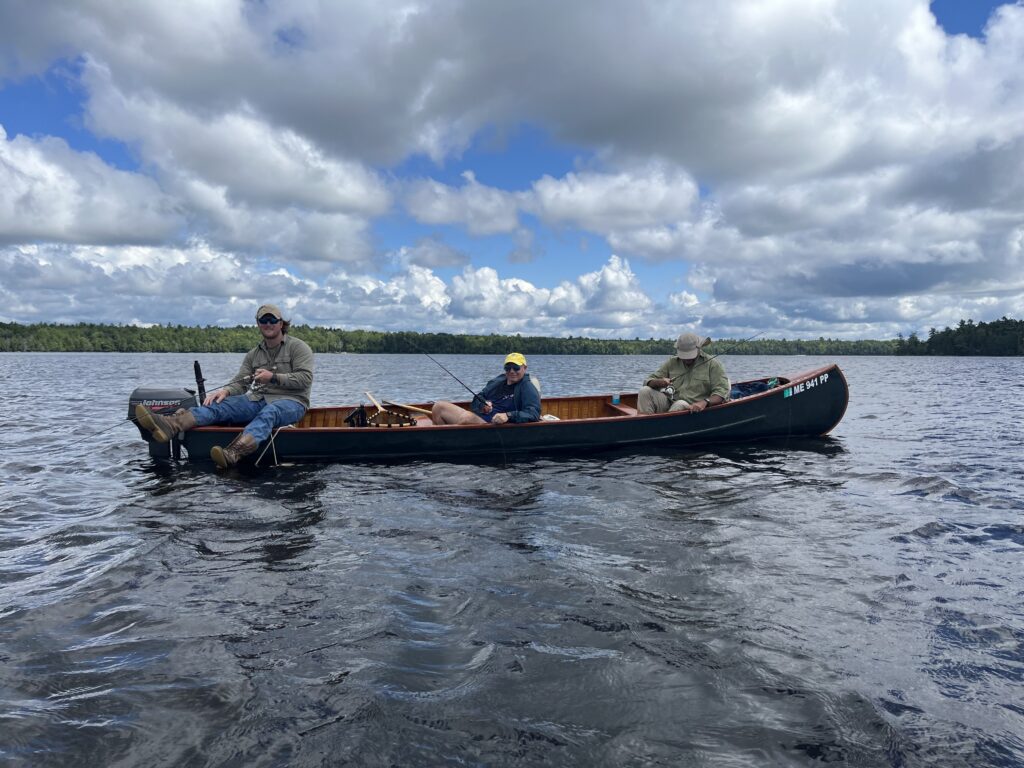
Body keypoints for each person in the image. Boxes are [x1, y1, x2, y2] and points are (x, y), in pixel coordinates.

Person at [135, 303, 315, 467]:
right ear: (258, 324)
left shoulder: (298, 347)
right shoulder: (254, 354)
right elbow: (241, 381)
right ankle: (171, 424)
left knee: (270, 412)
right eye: (263, 320)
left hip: (293, 402)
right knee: (220, 405)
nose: (268, 324)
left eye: (272, 320)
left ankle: (233, 453)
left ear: (281, 323)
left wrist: (273, 377)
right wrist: (226, 391)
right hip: (258, 398)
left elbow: (305, 379)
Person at [431, 353, 541, 425]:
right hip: (477, 418)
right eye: (508, 368)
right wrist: (482, 405)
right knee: (438, 406)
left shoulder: (527, 387)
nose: (512, 371)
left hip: (492, 426)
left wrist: (508, 416)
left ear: (524, 368)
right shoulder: (497, 382)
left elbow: (533, 414)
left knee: (467, 418)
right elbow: (478, 398)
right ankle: (445, 442)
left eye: (516, 368)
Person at [638, 331, 729, 414]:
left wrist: (705, 402)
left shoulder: (713, 364)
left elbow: (721, 393)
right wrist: (659, 382)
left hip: (692, 408)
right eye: (684, 355)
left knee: (680, 404)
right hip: (670, 401)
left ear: (698, 348)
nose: (687, 359)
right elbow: (648, 380)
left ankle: (664, 428)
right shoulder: (672, 362)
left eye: (690, 355)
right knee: (644, 391)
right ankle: (646, 427)